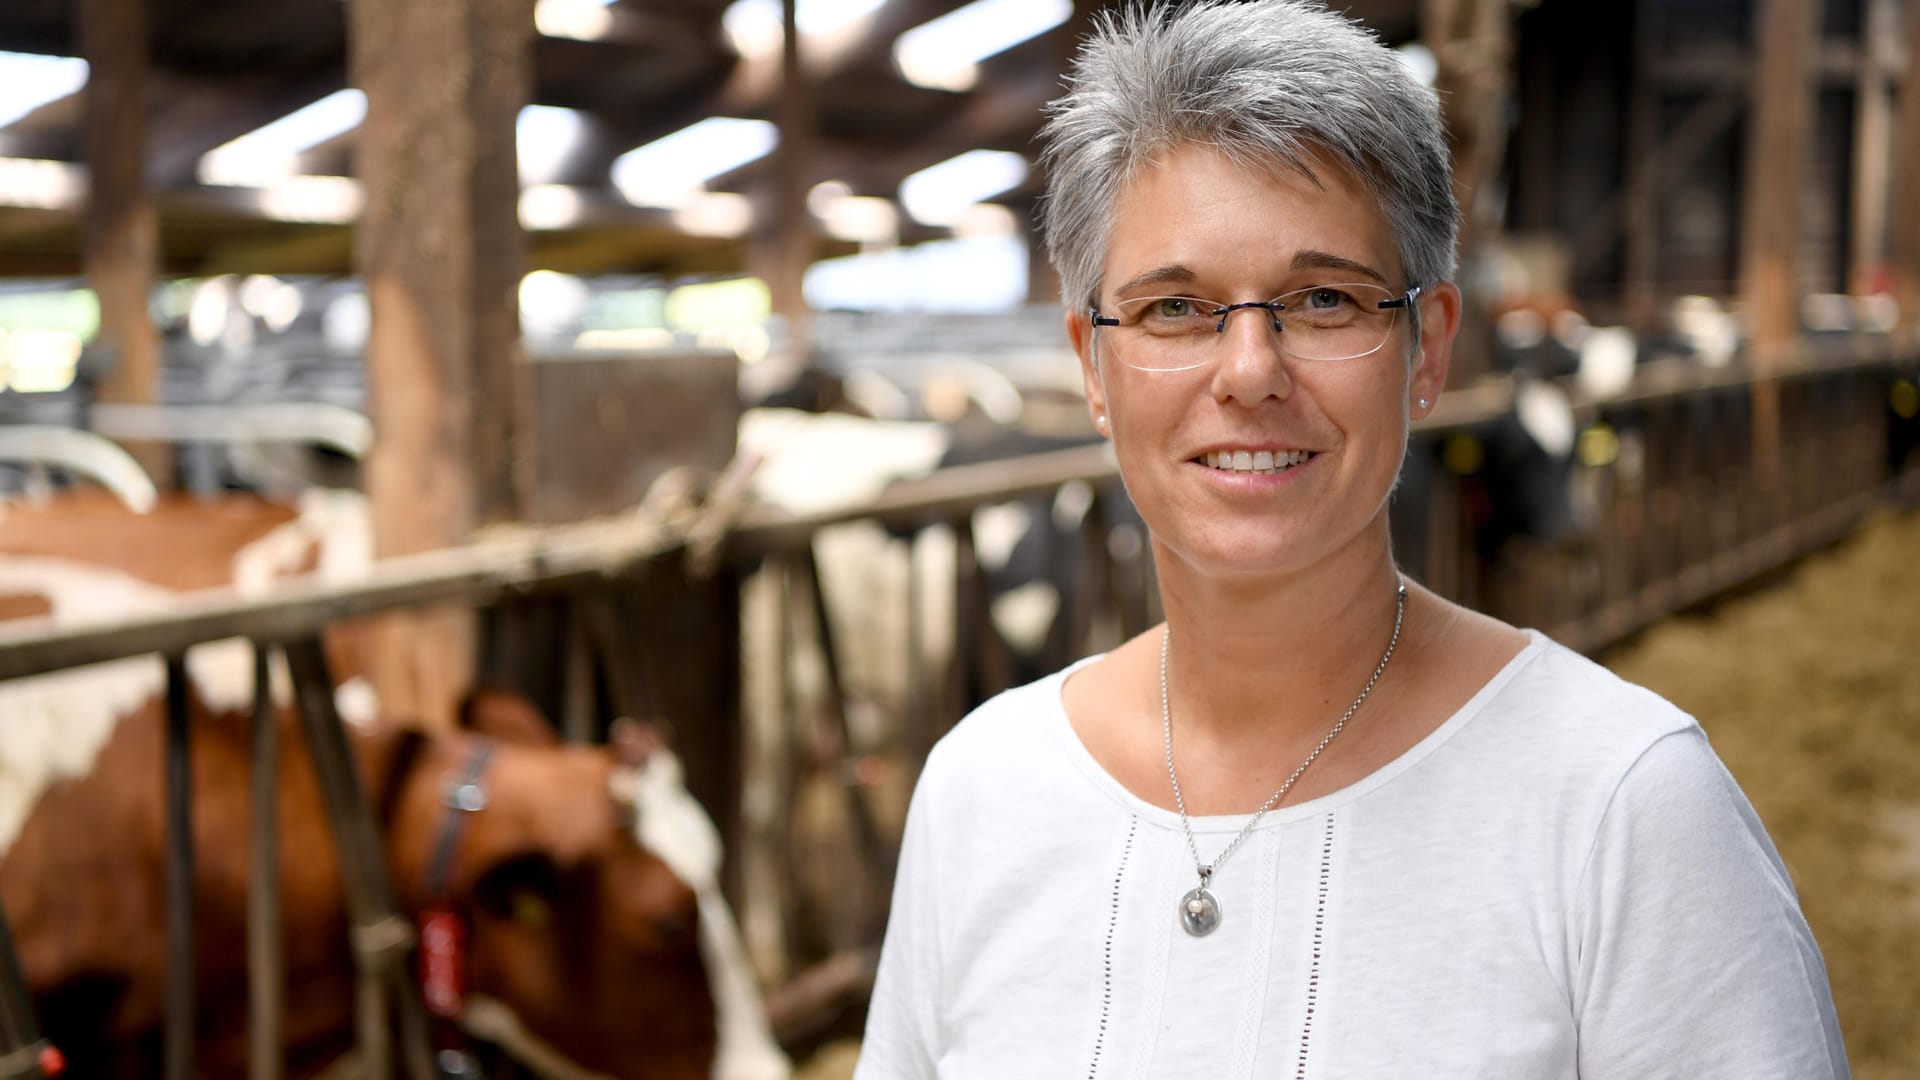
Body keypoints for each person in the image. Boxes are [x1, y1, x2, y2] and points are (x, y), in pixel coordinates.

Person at [854, 2, 1848, 1077]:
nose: (1247, 371)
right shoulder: (982, 792)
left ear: (1426, 349)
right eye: (1175, 310)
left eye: (1324, 299)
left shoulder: (1623, 807)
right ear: (1093, 369)